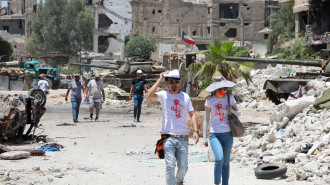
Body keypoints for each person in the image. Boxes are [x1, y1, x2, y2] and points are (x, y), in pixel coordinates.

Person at [147, 69, 199, 185]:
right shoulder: (163, 95)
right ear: (167, 83)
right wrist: (160, 79)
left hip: (182, 137)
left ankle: (179, 181)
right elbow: (149, 95)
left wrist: (196, 130)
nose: (173, 84)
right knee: (170, 166)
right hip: (168, 136)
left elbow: (192, 114)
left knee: (183, 167)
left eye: (175, 82)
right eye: (171, 82)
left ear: (179, 83)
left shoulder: (185, 97)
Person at [203, 76, 241, 185]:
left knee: (226, 163)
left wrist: (232, 110)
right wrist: (204, 138)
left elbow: (239, 114)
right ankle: (216, 183)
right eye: (220, 90)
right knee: (219, 159)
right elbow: (206, 119)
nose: (222, 92)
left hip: (228, 134)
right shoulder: (209, 101)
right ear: (215, 89)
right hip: (214, 134)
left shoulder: (230, 98)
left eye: (224, 89)